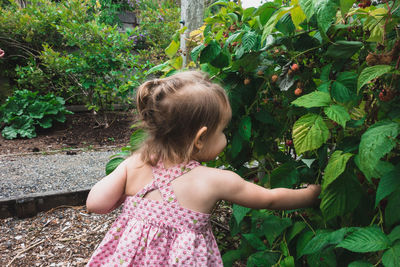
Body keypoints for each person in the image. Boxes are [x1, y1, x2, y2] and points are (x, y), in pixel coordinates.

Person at [86, 71, 321, 266]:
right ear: (200, 138)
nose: (225, 138)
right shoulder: (213, 180)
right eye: (222, 131)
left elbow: (96, 204)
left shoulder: (135, 163)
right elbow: (269, 199)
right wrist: (310, 195)